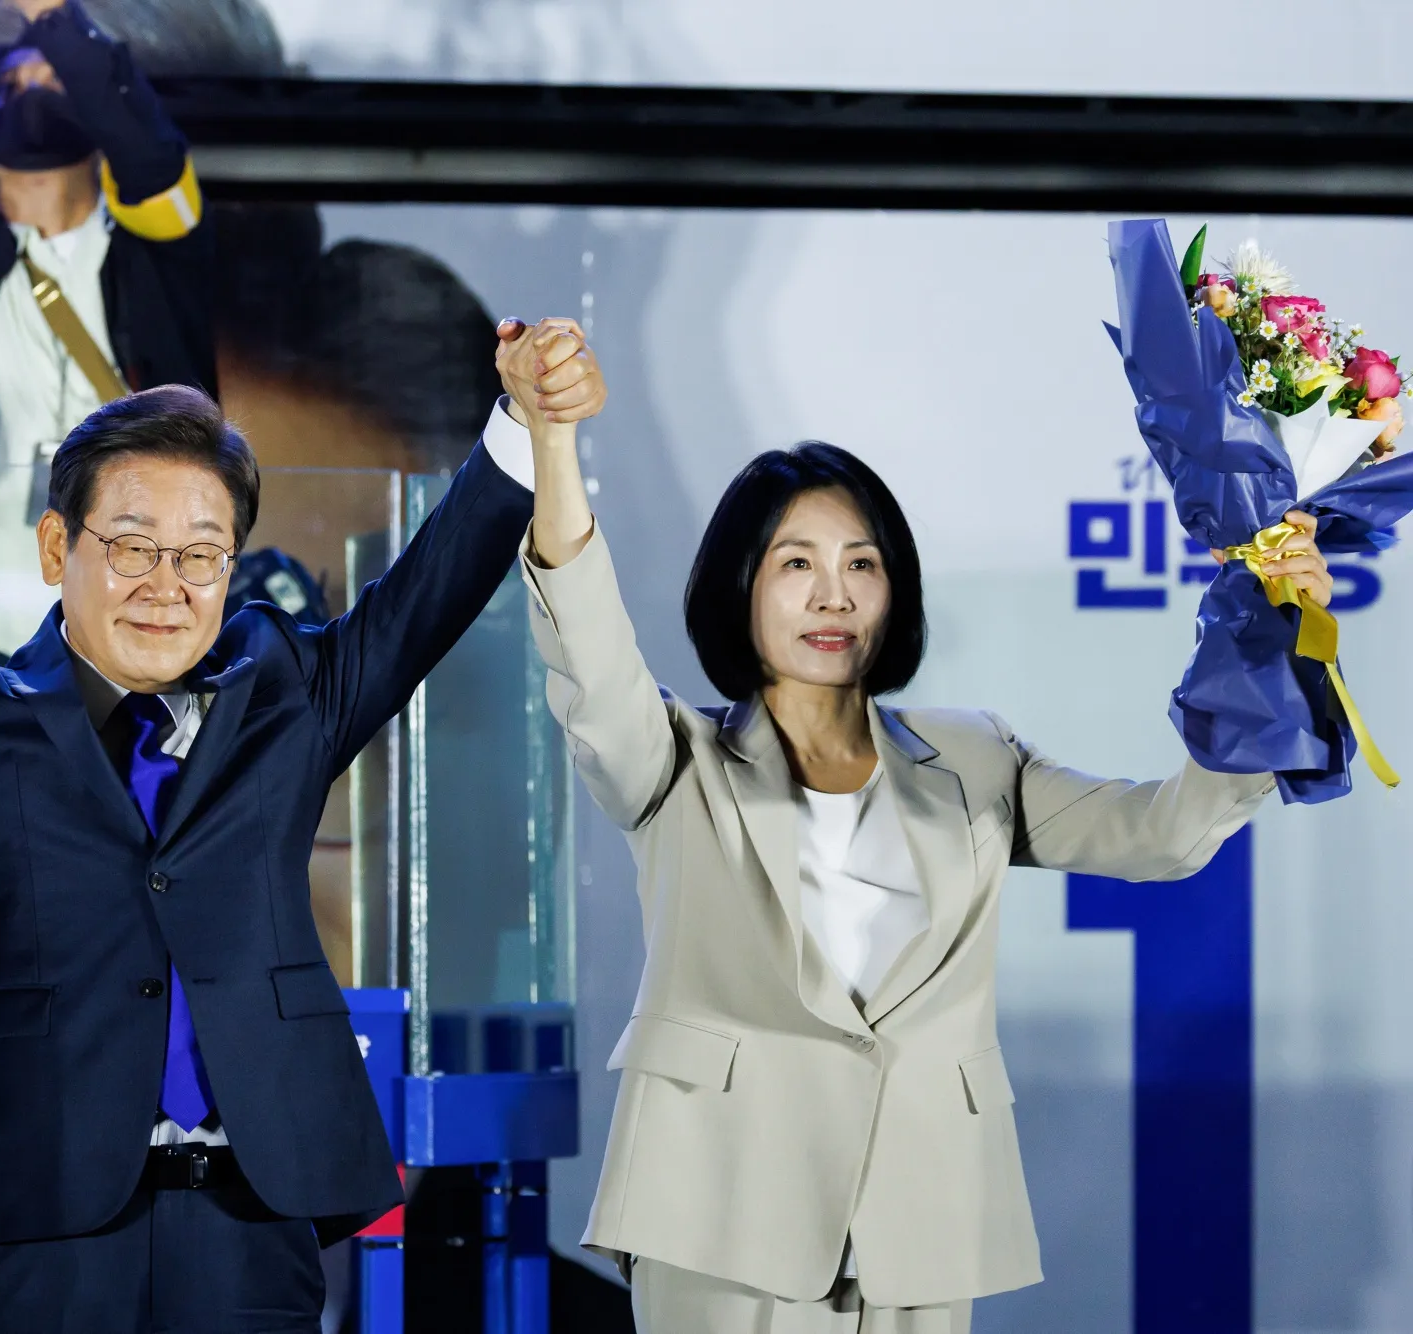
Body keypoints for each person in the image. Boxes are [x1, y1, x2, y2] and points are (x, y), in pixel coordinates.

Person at [0, 307, 602, 1327]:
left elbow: (429, 588)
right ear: (57, 546)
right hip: (39, 1218)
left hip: (251, 1214)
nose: (166, 587)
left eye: (201, 555)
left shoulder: (289, 691)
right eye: (132, 547)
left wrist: (519, 420)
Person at [515, 412, 1331, 1328]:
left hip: (922, 1218)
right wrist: (552, 437)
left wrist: (1268, 646)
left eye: (862, 564)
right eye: (796, 564)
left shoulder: (978, 757)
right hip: (722, 1209)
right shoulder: (672, 757)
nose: (834, 596)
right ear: (738, 585)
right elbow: (585, 644)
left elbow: (1163, 834)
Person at [0, 0, 216, 655]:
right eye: (8, 87)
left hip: (135, 628)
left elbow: (151, 155)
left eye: (54, 81)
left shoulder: (161, 253)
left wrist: (52, 16)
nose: (31, 93)